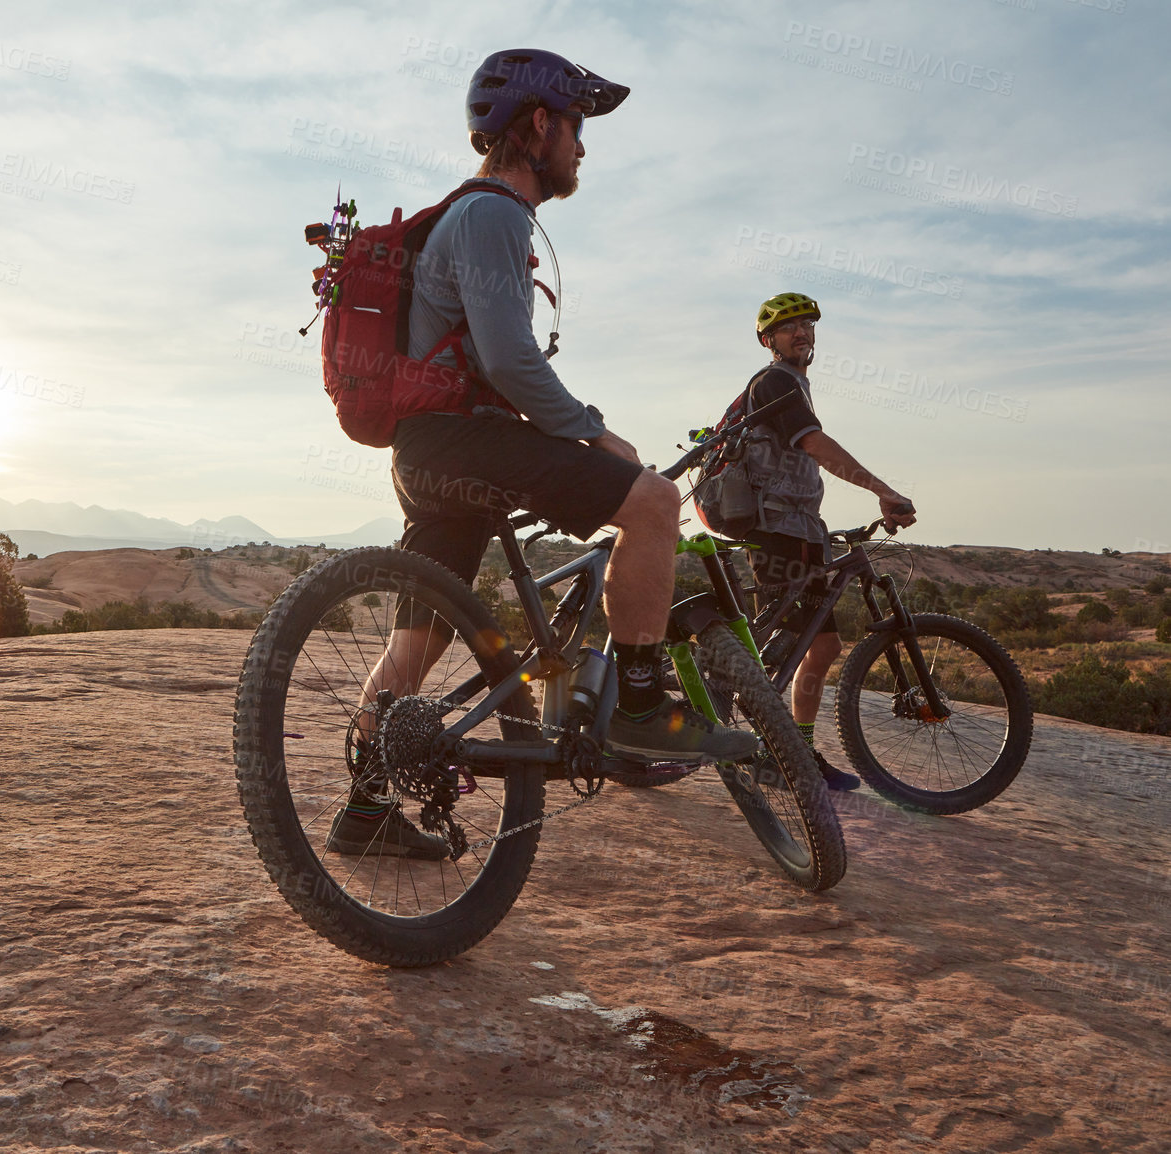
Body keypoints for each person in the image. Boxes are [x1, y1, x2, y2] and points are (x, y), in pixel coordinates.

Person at [328, 49, 756, 860]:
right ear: (537, 126)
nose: (582, 149)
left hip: (425, 453)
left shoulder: (472, 215)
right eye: (576, 129)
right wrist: (596, 432)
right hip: (468, 440)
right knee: (655, 503)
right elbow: (509, 361)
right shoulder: (493, 214)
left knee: (417, 645)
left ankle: (365, 808)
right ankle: (635, 705)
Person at [739, 292, 918, 792]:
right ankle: (777, 756)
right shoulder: (774, 381)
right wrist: (883, 490)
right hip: (777, 532)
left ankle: (794, 749)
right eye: (789, 326)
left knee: (821, 644)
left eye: (807, 325)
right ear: (767, 340)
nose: (802, 333)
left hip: (800, 530)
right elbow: (815, 446)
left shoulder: (795, 384)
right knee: (789, 648)